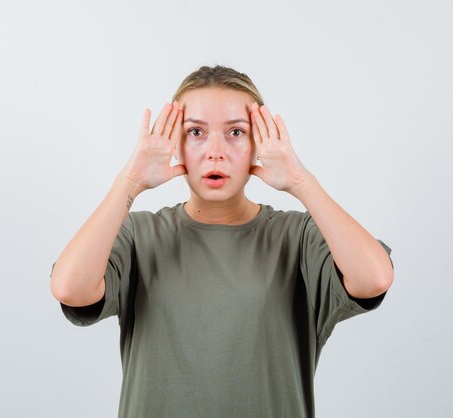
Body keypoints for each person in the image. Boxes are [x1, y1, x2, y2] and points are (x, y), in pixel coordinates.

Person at [49, 65, 394, 418]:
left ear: (258, 143)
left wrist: (301, 183)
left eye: (236, 132)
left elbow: (374, 278)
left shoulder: (299, 237)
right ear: (174, 144)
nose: (215, 151)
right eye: (195, 132)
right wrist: (130, 182)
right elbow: (69, 288)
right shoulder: (139, 234)